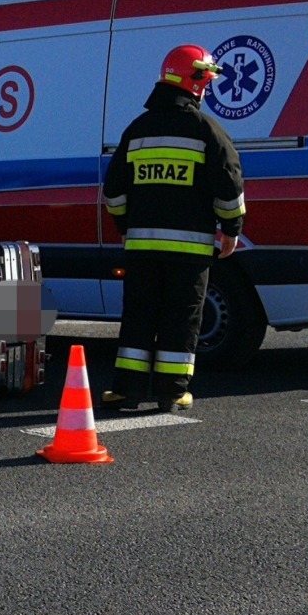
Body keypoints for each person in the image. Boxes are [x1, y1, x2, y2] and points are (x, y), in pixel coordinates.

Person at [99, 44, 245, 411]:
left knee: (139, 315)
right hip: (190, 252)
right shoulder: (207, 131)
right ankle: (172, 391)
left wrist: (124, 226)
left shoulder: (137, 130)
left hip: (142, 249)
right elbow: (228, 185)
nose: (207, 88)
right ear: (194, 82)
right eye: (206, 81)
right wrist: (231, 229)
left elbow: (113, 191)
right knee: (182, 317)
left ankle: (127, 390)